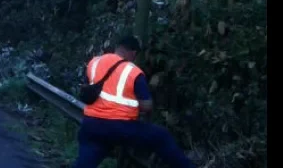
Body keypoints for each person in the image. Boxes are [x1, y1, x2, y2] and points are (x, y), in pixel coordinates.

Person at [74, 36, 194, 168]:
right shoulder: (133, 72)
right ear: (133, 53)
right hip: (120, 128)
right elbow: (147, 105)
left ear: (117, 48)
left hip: (91, 124)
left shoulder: (95, 62)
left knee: (86, 160)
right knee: (161, 136)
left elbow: (88, 88)